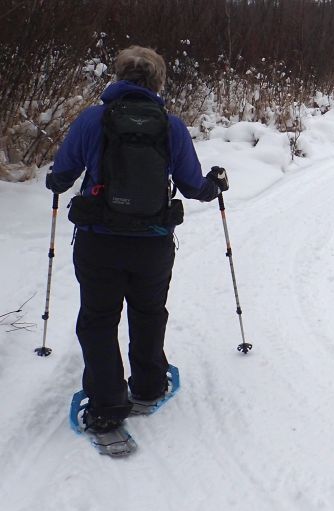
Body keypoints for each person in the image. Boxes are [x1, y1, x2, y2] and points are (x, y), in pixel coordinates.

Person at [46, 46, 228, 438]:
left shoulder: (92, 120)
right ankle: (148, 385)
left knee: (98, 319)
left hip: (98, 243)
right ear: (158, 82)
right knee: (148, 312)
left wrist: (57, 182)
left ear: (118, 76)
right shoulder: (171, 125)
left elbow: (61, 174)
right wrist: (215, 186)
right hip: (152, 242)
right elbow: (193, 186)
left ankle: (108, 403)